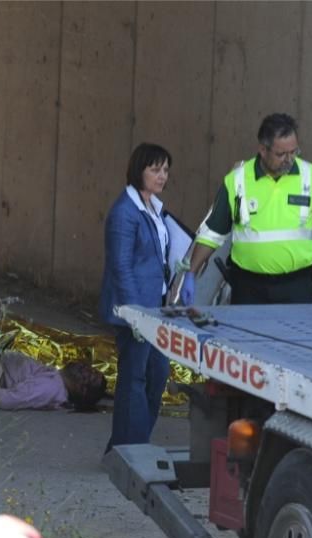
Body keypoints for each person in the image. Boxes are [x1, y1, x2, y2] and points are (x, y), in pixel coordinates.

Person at [172, 113, 312, 305]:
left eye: (294, 152)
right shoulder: (237, 181)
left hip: (296, 287)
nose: (289, 159)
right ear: (263, 150)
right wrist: (191, 273)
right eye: (281, 154)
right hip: (248, 287)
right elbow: (213, 233)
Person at [99, 143, 176, 452]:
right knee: (135, 378)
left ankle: (127, 446)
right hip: (135, 312)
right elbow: (120, 266)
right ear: (138, 170)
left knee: (157, 374)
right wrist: (133, 314)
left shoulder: (154, 207)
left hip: (155, 309)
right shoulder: (124, 212)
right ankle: (131, 450)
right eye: (154, 169)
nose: (162, 176)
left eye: (166, 170)